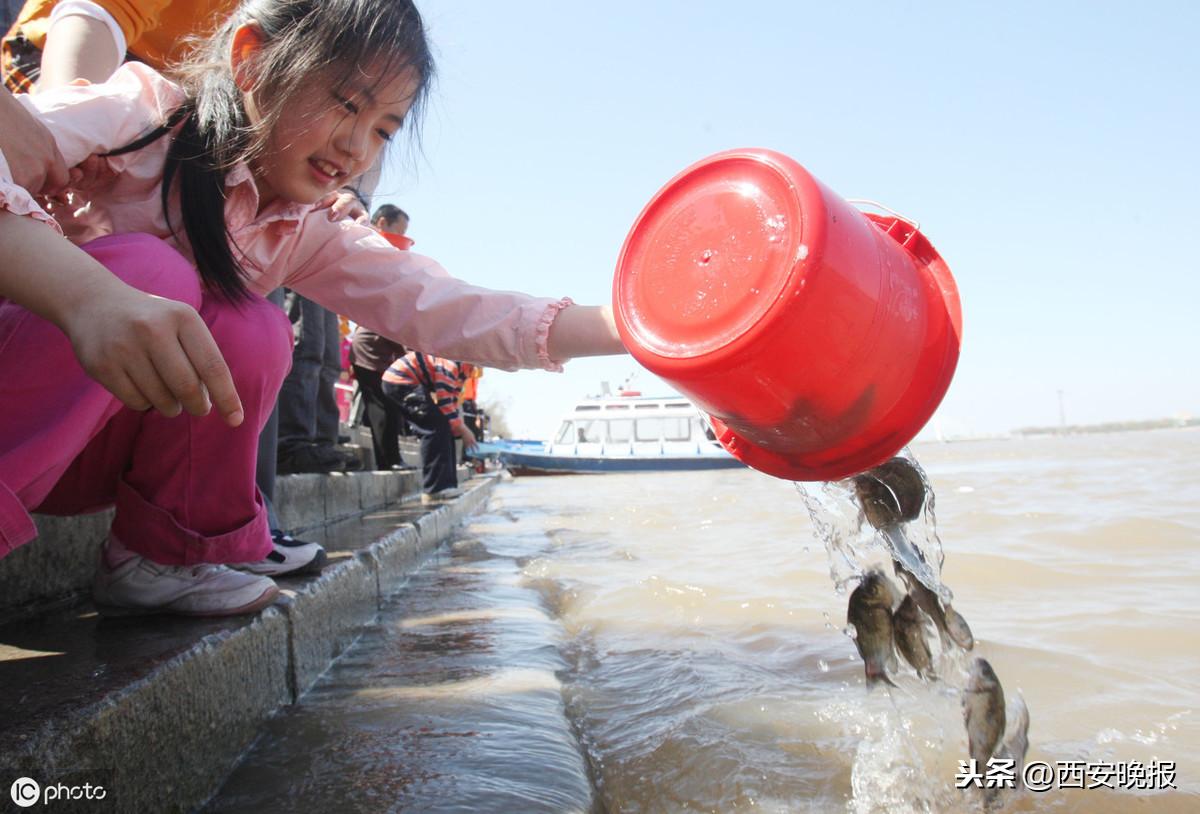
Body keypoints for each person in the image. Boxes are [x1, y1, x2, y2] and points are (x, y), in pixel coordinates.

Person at [0, 0, 624, 617]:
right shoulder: (140, 114)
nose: (356, 147)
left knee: (255, 327)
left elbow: (444, 307)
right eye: (344, 104)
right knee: (154, 273)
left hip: (83, 463)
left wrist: (636, 328)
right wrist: (84, 297)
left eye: (383, 128)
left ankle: (163, 556)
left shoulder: (306, 227)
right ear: (252, 60)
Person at [349, 203, 411, 470]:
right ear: (383, 223)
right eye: (401, 230)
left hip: (383, 352)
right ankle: (388, 461)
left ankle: (392, 459)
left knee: (389, 406)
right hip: (370, 352)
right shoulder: (369, 250)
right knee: (381, 406)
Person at [381, 352, 478, 503]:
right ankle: (435, 489)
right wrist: (464, 430)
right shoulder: (451, 364)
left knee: (445, 426)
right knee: (433, 427)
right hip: (401, 382)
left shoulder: (462, 373)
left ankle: (448, 484)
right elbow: (445, 403)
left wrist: (459, 428)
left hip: (412, 383)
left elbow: (451, 405)